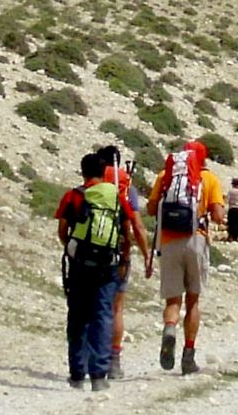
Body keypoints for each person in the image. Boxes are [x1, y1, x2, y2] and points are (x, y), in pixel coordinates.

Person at [55, 151, 151, 391]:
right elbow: (129, 228)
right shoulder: (116, 197)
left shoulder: (74, 196)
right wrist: (133, 255)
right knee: (103, 315)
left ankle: (77, 374)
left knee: (77, 317)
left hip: (79, 265)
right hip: (108, 264)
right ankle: (99, 375)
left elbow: (62, 229)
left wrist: (71, 247)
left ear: (83, 172)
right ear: (103, 173)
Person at [149, 140, 224, 374]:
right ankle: (188, 356)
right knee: (193, 300)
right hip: (196, 240)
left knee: (173, 300)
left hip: (169, 242)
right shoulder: (209, 179)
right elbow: (219, 215)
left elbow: (151, 209)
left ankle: (169, 328)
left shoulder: (166, 175)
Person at [95, 145, 141, 377]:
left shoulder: (91, 185)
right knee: (117, 308)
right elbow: (137, 224)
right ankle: (113, 360)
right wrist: (144, 252)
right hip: (120, 253)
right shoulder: (126, 188)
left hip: (90, 254)